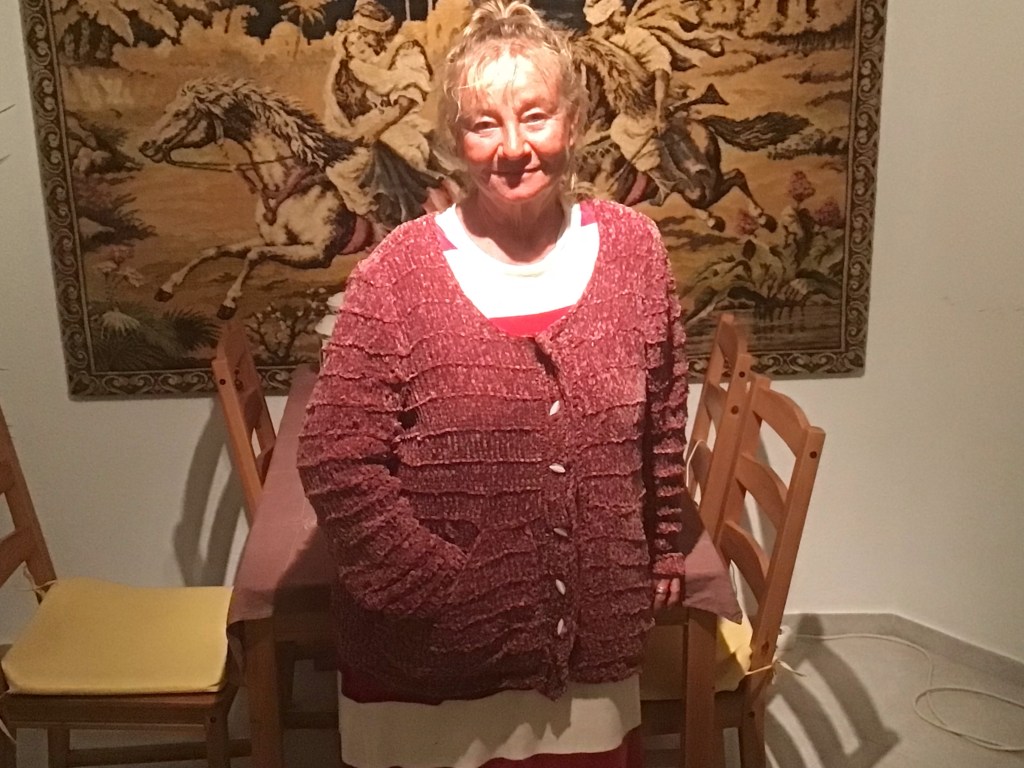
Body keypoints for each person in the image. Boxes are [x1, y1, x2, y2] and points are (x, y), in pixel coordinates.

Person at [298, 2, 741, 766]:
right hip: (430, 663)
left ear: (573, 120)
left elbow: (663, 418)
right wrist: (445, 587)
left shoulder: (635, 252)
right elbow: (335, 458)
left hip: (591, 650)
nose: (512, 148)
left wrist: (662, 548)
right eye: (483, 124)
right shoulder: (398, 272)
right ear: (453, 138)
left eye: (535, 116)